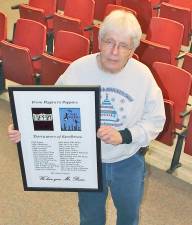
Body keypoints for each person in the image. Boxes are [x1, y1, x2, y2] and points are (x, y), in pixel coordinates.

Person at [8, 10, 165, 225]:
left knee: (129, 216)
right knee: (90, 217)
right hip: (87, 162)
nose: (114, 51)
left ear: (133, 49)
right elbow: (50, 107)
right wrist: (26, 128)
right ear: (99, 41)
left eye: (124, 45)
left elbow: (156, 120)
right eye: (109, 42)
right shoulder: (78, 70)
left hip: (127, 161)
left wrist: (125, 135)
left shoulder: (143, 76)